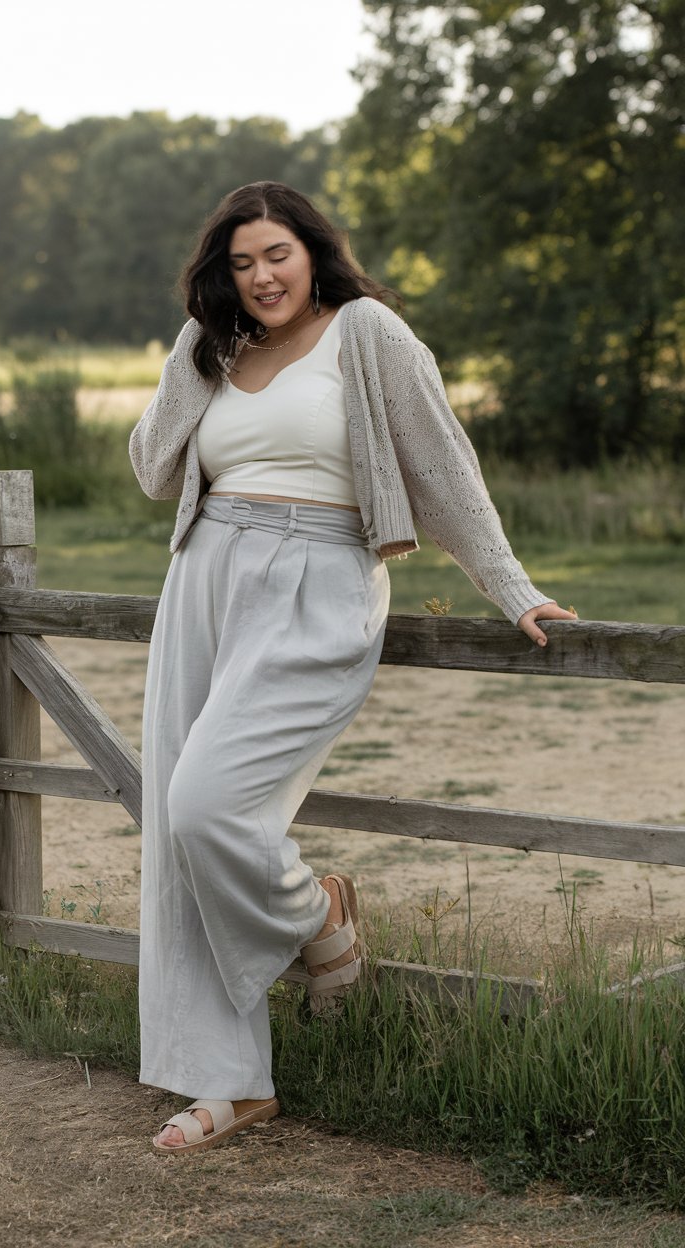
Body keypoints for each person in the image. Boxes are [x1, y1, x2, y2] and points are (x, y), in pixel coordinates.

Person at [129, 181, 576, 1156]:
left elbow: (444, 471)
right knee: (179, 831)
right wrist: (192, 348)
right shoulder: (217, 345)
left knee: (209, 806)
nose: (260, 277)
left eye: (275, 255)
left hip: (318, 581)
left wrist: (511, 589)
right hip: (202, 577)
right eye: (239, 264)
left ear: (311, 251)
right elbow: (153, 468)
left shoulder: (367, 333)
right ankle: (230, 1083)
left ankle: (320, 921)